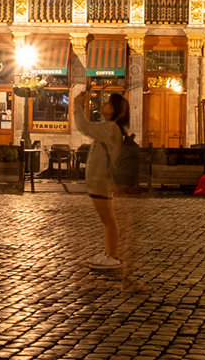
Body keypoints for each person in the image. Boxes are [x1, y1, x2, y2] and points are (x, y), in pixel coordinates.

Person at [72, 82, 132, 271]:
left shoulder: (111, 128)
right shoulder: (110, 127)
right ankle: (107, 253)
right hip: (100, 181)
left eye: (108, 102)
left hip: (102, 180)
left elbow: (84, 127)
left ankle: (112, 256)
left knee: (108, 219)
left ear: (114, 110)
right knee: (106, 219)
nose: (104, 104)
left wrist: (77, 106)